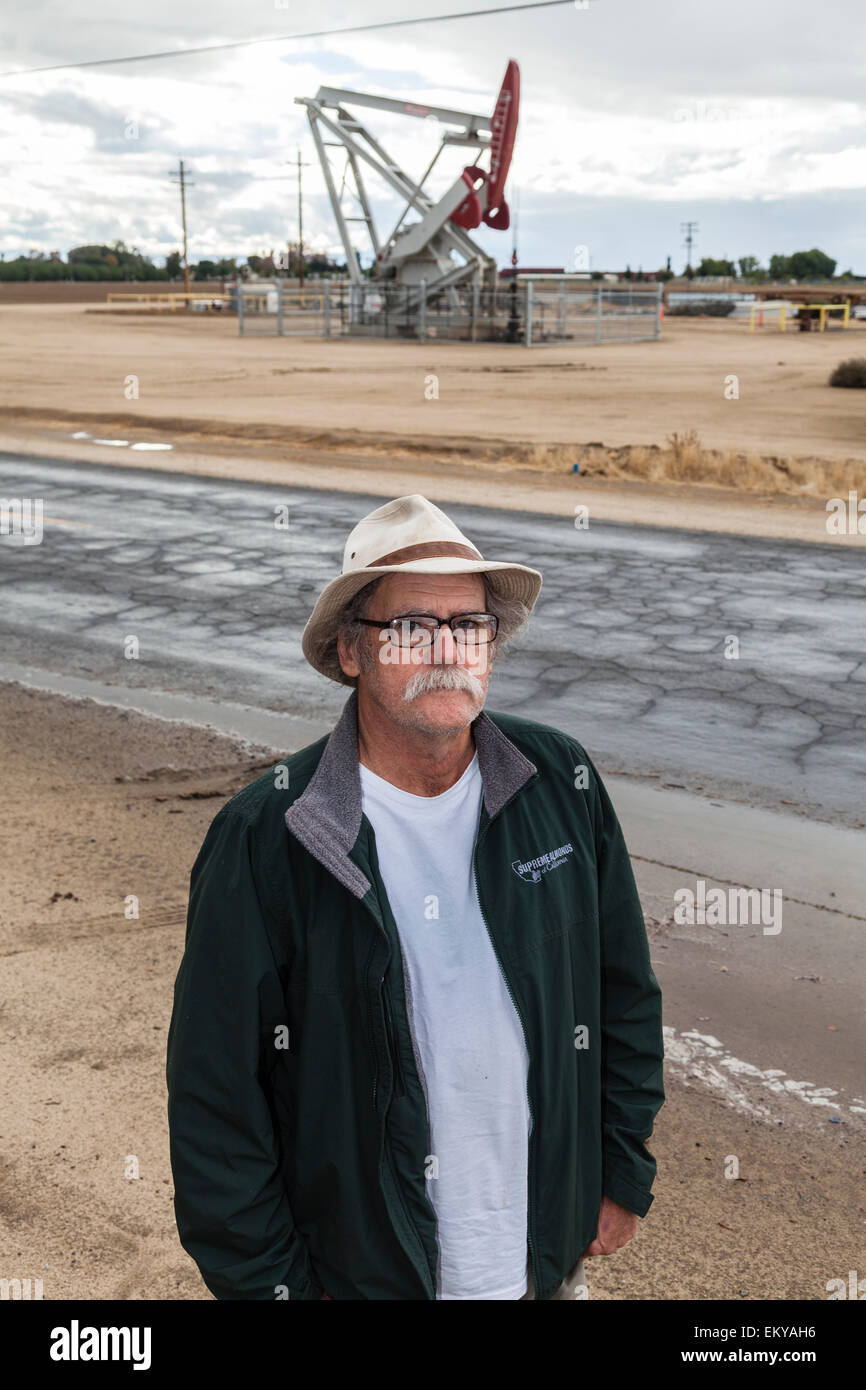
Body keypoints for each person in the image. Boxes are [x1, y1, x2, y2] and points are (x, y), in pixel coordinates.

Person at [166, 493, 665, 1300]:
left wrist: (619, 1169)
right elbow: (216, 1100)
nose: (446, 649)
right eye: (409, 626)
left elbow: (624, 995)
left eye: (468, 625)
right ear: (351, 651)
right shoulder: (270, 835)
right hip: (363, 1278)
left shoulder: (559, 784)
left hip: (540, 1264)